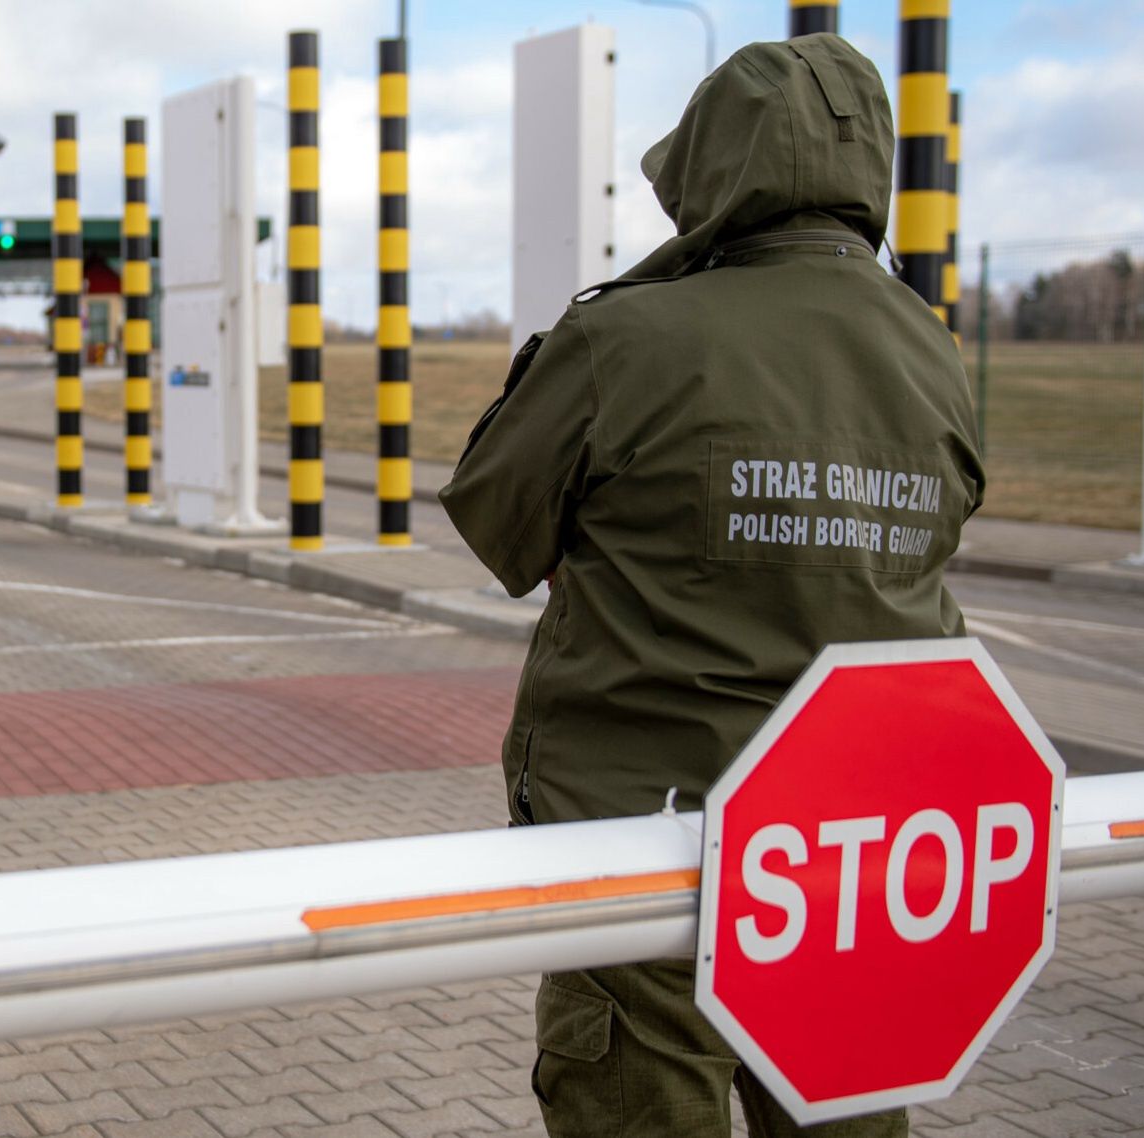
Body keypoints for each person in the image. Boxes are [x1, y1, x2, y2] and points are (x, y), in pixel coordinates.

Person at [439, 33, 984, 1138]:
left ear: (712, 171)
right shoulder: (934, 358)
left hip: (648, 847)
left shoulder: (626, 336)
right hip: (848, 866)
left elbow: (498, 522)